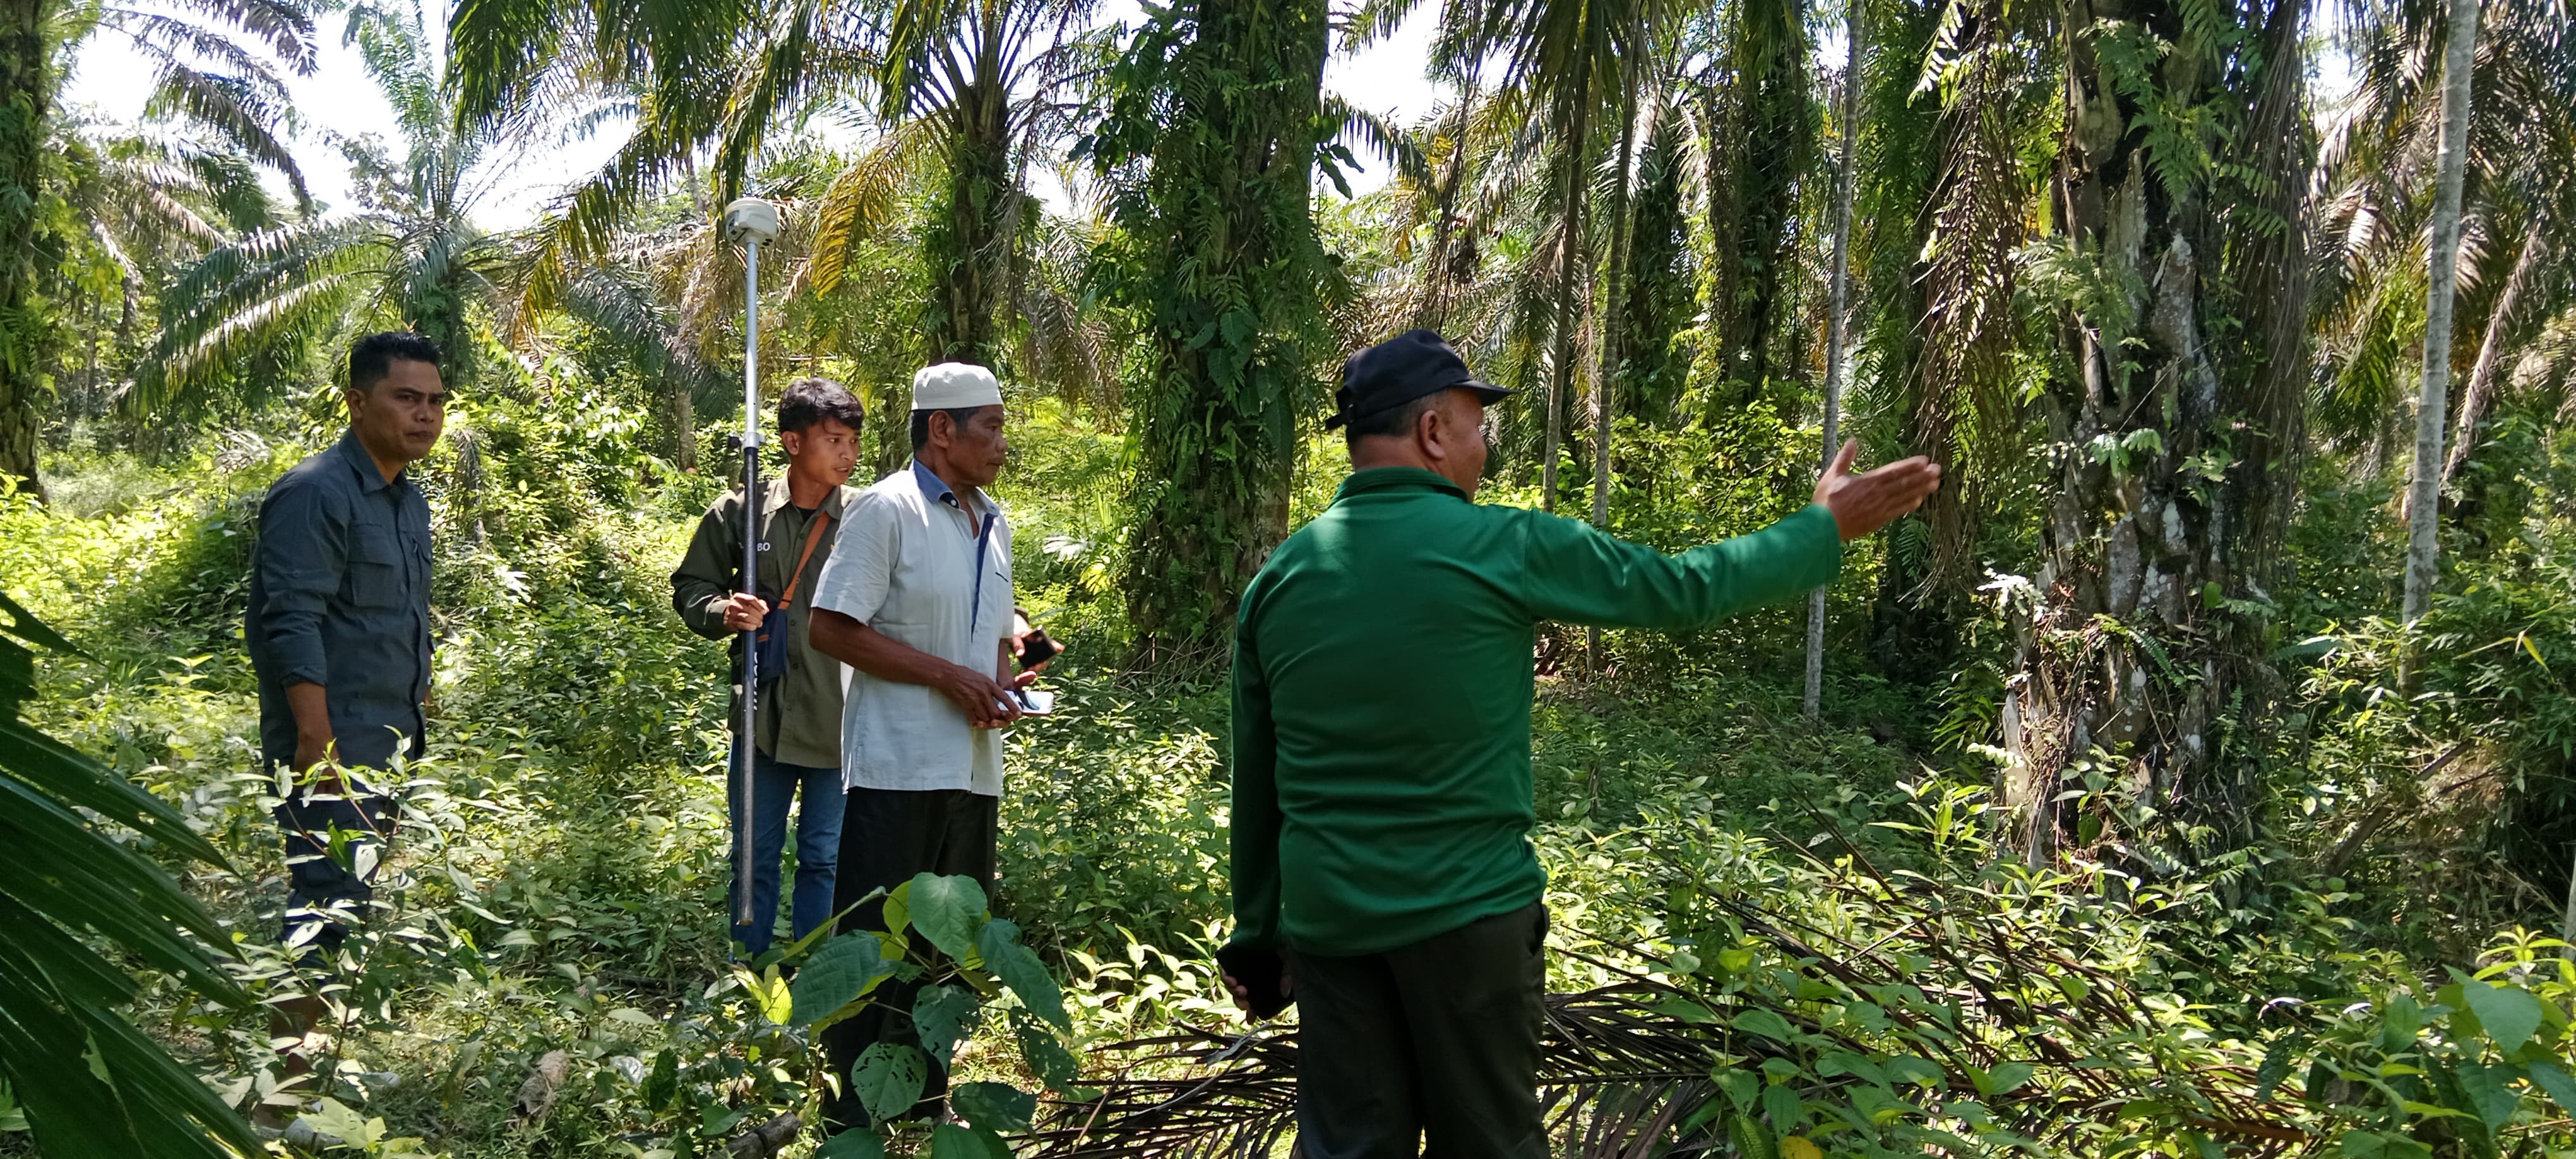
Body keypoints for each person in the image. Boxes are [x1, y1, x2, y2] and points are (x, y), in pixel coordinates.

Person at [1222, 329, 1942, 1158]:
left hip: (1329, 922)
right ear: (1431, 434)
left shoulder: (1279, 579)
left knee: (1349, 1147)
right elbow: (1681, 590)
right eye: (1475, 425)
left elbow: (1258, 781)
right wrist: (1820, 532)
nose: (1483, 448)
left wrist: (1256, 930)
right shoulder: (1506, 546)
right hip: (1469, 918)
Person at [805, 362, 1034, 1132]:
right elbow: (831, 627)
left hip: (972, 768)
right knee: (875, 948)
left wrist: (999, 681)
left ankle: (927, 1105)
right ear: (943, 429)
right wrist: (949, 679)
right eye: (993, 425)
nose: (1005, 442)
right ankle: (854, 1118)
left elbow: (993, 630)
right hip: (898, 767)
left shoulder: (992, 520)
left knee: (951, 948)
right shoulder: (886, 510)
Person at [246, 331, 448, 1078]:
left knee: (349, 896)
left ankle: (311, 1060)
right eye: (406, 398)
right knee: (325, 902)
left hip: (387, 735)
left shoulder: (408, 499)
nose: (424, 415)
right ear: (357, 403)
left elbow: (396, 613)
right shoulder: (315, 492)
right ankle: (283, 1088)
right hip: (331, 743)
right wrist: (315, 740)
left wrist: (419, 689)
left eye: (434, 401)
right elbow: (290, 619)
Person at [671, 377, 867, 957]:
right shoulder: (741, 512)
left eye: (854, 441)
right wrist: (723, 610)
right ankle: (750, 974)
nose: (848, 455)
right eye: (834, 440)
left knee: (825, 856)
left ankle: (814, 978)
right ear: (791, 442)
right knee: (753, 853)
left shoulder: (866, 516)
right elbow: (691, 586)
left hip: (841, 717)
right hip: (763, 714)